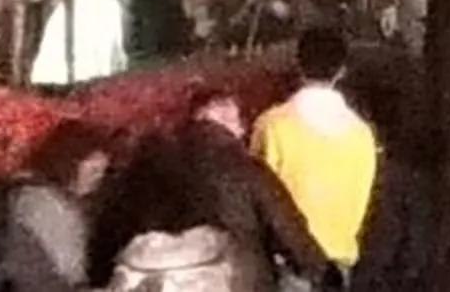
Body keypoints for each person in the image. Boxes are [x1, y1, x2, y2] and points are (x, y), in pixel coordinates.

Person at [96, 88, 332, 292]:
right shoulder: (245, 169)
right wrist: (323, 272)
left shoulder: (145, 165)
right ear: (217, 121)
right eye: (236, 122)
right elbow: (288, 232)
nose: (242, 131)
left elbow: (107, 237)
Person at [254, 29, 381, 275]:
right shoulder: (362, 134)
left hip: (287, 261)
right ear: (342, 70)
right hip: (339, 260)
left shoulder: (272, 125)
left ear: (297, 63)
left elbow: (259, 193)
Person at [2, 123, 112, 292]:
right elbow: (67, 271)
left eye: (101, 172)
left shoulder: (26, 196)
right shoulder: (47, 206)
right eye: (93, 171)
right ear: (69, 164)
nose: (97, 180)